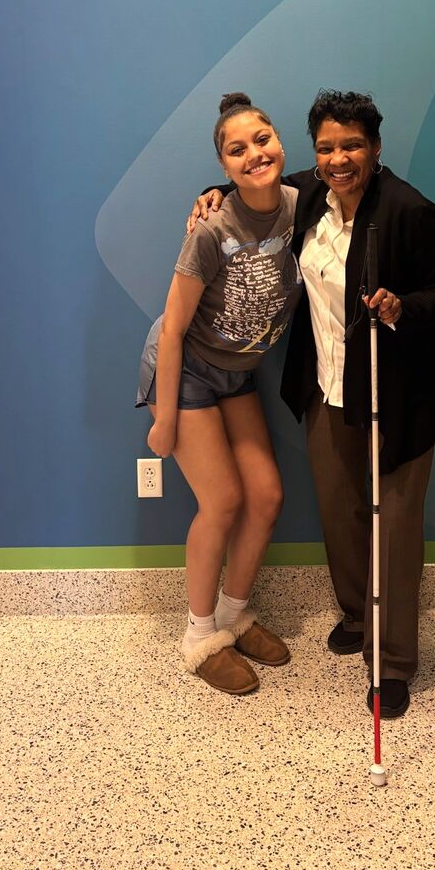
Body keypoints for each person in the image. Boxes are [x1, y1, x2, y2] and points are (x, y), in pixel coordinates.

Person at [190, 90, 435, 717]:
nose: (339, 159)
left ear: (376, 148)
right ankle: (355, 615)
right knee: (339, 513)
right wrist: (212, 192)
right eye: (327, 148)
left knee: (392, 528)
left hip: (393, 397)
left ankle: (391, 660)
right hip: (325, 388)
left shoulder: (409, 211)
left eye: (352, 146)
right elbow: (253, 180)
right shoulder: (309, 195)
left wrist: (401, 309)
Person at [137, 92, 303, 695]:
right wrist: (165, 418)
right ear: (225, 167)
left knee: (267, 495)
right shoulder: (210, 228)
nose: (254, 153)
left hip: (237, 371)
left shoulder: (302, 206)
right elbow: (174, 325)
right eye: (237, 150)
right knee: (225, 499)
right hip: (184, 370)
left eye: (262, 139)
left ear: (280, 141)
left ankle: (234, 615)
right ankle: (199, 634)